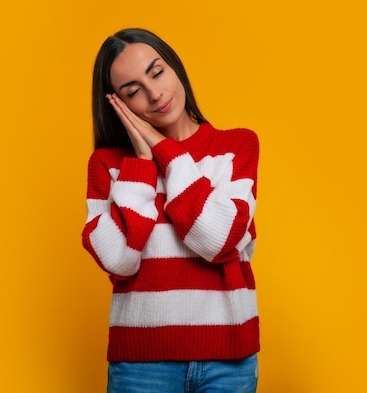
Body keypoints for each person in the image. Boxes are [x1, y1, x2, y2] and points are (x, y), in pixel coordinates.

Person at [82, 28, 260, 393]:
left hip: (230, 361)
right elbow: (120, 260)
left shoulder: (236, 146)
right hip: (140, 367)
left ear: (175, 68)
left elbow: (218, 240)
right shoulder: (108, 166)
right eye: (133, 91)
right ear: (118, 104)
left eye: (157, 72)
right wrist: (142, 164)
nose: (154, 93)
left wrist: (165, 151)